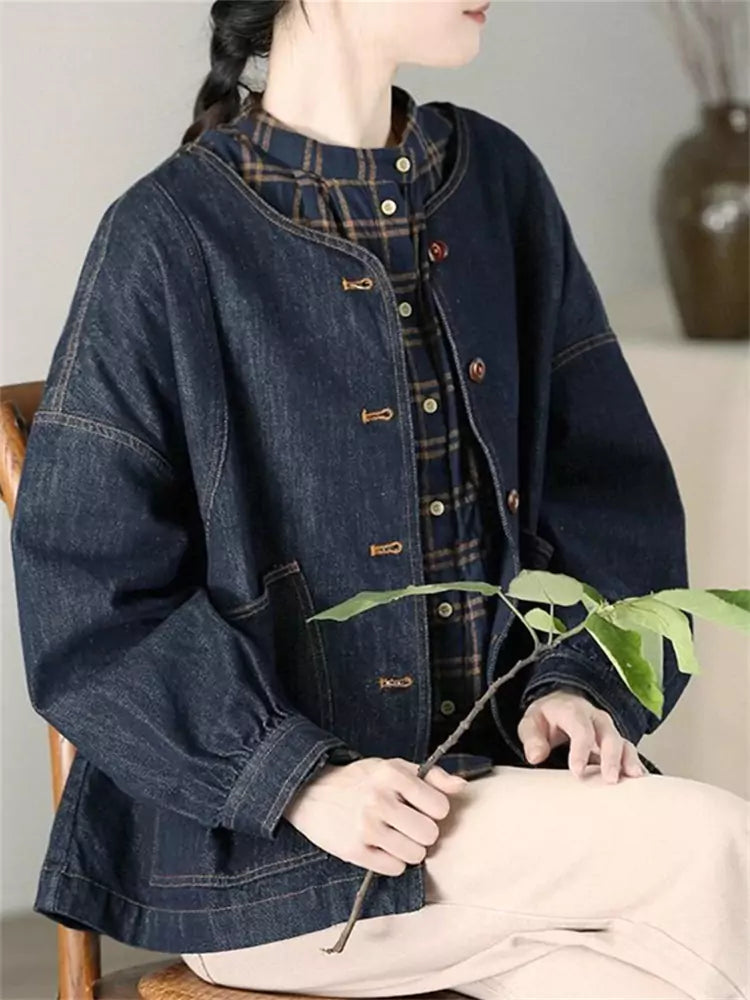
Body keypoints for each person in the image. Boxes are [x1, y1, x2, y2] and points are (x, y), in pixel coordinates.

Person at [10, 2, 747, 998]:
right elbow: (91, 606)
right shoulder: (167, 236)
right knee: (714, 847)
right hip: (269, 861)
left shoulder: (498, 185)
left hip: (501, 817)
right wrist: (298, 778)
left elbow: (609, 489)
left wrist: (575, 682)